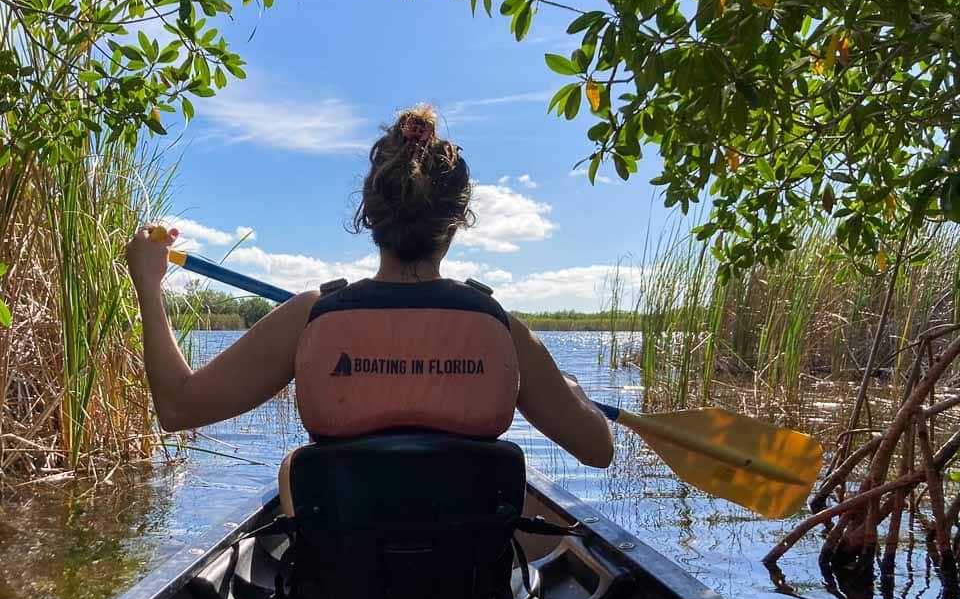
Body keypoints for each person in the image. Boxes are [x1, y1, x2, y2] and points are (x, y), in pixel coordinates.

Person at [126, 104, 613, 502]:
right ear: (458, 219)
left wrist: (149, 284)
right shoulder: (500, 329)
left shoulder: (311, 317)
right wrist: (570, 390)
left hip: (337, 592)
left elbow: (176, 407)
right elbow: (598, 448)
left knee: (291, 471)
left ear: (369, 210)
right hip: (470, 595)